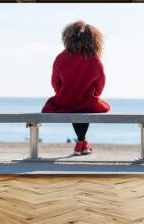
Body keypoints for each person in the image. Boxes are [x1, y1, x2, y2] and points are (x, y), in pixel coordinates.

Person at [42, 21, 110, 156]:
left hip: (65, 100)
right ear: (93, 40)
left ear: (68, 37)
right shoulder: (95, 60)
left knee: (74, 106)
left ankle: (82, 143)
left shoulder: (60, 58)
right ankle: (81, 143)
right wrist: (93, 94)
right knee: (87, 107)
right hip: (87, 101)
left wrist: (64, 93)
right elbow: (100, 84)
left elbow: (55, 82)